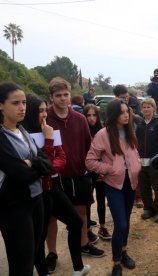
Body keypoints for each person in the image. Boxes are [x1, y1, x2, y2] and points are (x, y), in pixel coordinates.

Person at [22, 93, 90, 276]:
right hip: (38, 193)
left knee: (76, 222)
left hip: (53, 187)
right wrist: (49, 143)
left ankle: (78, 267)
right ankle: (44, 271)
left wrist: (48, 166)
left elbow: (62, 158)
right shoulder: (25, 135)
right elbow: (44, 162)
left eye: (45, 110)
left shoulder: (49, 130)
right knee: (39, 236)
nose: (44, 114)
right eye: (40, 111)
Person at [46, 77, 104, 272]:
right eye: (58, 95)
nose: (63, 99)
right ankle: (52, 252)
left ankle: (84, 243)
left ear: (70, 95)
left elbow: (89, 145)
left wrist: (91, 168)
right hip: (55, 177)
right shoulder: (44, 118)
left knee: (82, 212)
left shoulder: (79, 118)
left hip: (79, 174)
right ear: (51, 97)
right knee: (51, 217)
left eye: (66, 94)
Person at [0, 82, 52, 276]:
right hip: (14, 206)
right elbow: (20, 174)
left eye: (23, 102)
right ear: (1, 105)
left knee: (31, 256)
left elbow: (47, 163)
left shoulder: (22, 131)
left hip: (35, 199)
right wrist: (35, 164)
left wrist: (32, 163)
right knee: (21, 263)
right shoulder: (1, 136)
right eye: (15, 103)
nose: (22, 107)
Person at [86, 99, 141, 276]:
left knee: (126, 222)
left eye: (128, 112)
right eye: (122, 112)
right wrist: (109, 169)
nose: (127, 115)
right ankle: (116, 262)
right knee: (121, 223)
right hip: (114, 184)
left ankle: (124, 252)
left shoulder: (129, 130)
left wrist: (137, 164)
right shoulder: (103, 134)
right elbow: (90, 161)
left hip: (130, 183)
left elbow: (133, 153)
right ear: (113, 115)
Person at [135, 98, 158, 223]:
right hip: (141, 161)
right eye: (144, 107)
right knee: (144, 186)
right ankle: (148, 208)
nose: (146, 109)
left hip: (155, 162)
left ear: (154, 109)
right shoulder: (140, 125)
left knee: (157, 187)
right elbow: (136, 142)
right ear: (141, 109)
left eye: (149, 107)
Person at [83, 104, 112, 240]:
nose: (91, 118)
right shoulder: (82, 130)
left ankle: (102, 226)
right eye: (88, 115)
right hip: (87, 171)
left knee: (101, 198)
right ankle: (87, 229)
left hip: (100, 170)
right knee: (87, 201)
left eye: (94, 115)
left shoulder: (102, 130)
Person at [113, 84, 144, 208]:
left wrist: (132, 115)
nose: (126, 99)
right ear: (116, 97)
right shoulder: (113, 108)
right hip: (117, 142)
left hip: (132, 141)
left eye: (127, 97)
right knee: (119, 167)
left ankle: (138, 197)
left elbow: (141, 122)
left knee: (135, 168)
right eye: (122, 97)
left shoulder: (131, 106)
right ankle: (116, 195)